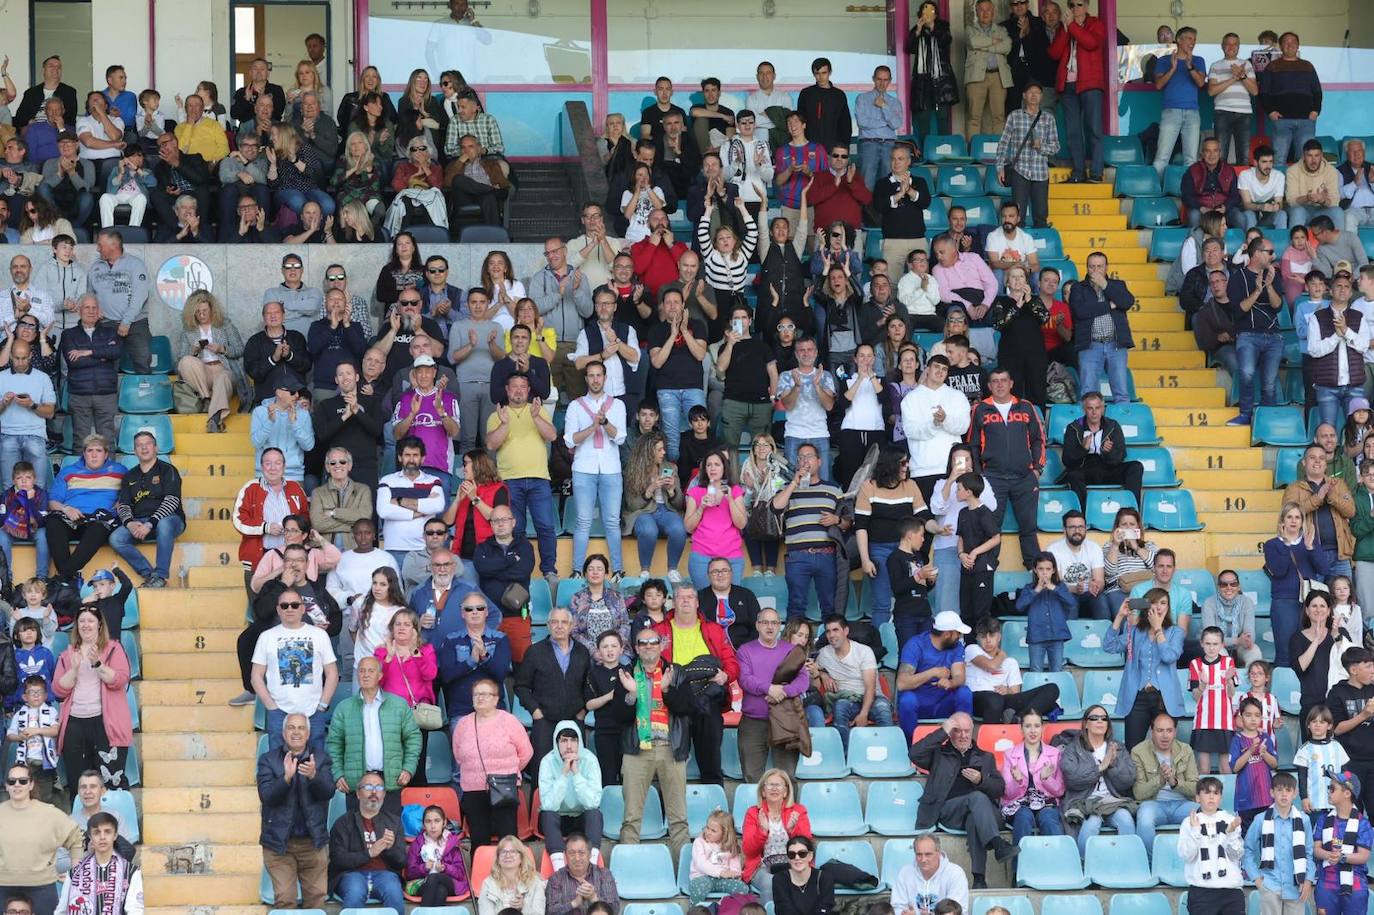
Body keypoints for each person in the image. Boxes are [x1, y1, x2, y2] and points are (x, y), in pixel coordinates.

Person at [908, 711, 1018, 888]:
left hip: (983, 815)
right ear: (950, 732)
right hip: (948, 811)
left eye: (967, 731)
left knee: (975, 817)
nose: (963, 735)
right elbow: (915, 754)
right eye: (957, 731)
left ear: (972, 731)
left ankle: (979, 879)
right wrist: (942, 731)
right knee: (976, 798)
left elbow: (999, 789)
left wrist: (981, 780)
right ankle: (997, 843)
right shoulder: (939, 754)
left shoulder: (985, 757)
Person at [618, 624, 692, 857]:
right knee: (631, 818)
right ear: (636, 649)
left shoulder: (677, 672)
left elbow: (686, 708)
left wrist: (667, 689)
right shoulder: (626, 672)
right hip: (636, 750)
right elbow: (617, 717)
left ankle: (683, 874)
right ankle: (628, 872)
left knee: (678, 818)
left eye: (653, 642)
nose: (649, 646)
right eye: (643, 643)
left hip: (672, 749)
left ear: (662, 645)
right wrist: (631, 694)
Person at [487, 372, 559, 587]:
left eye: (522, 387)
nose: (518, 390)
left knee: (545, 526)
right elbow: (491, 445)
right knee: (515, 529)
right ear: (507, 391)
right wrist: (503, 423)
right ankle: (517, 569)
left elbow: (552, 436)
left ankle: (549, 570)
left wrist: (536, 417)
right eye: (514, 386)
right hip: (510, 480)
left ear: (528, 391)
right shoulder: (497, 414)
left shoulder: (538, 411)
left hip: (539, 479)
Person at [257, 712, 334, 910]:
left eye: (301, 728)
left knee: (316, 901)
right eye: (291, 728)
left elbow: (328, 792)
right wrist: (285, 779)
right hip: (279, 844)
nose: (296, 732)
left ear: (308, 733)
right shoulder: (268, 760)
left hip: (313, 843)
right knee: (285, 900)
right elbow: (266, 796)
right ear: (283, 733)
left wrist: (314, 776)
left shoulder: (322, 759)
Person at [969, 367, 1043, 569]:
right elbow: (973, 445)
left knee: (1029, 528)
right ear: (989, 386)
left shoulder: (1026, 407)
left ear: (1011, 384)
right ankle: (986, 572)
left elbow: (1038, 439)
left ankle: (1036, 575)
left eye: (1003, 380)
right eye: (995, 381)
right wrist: (979, 476)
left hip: (1024, 478)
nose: (999, 384)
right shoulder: (980, 409)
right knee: (991, 529)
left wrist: (1037, 469)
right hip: (993, 479)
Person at [52, 604, 132, 788]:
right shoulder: (67, 654)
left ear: (99, 625)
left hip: (105, 724)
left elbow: (120, 680)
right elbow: (58, 689)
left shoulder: (114, 649)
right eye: (81, 621)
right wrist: (74, 669)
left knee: (112, 781)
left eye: (90, 621)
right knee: (78, 784)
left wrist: (97, 663)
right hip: (75, 723)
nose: (86, 625)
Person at [453, 677, 533, 847]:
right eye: (476, 694)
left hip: (504, 787)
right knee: (479, 838)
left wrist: (509, 771)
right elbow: (458, 755)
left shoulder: (510, 721)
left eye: (485, 694)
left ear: (496, 699)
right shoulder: (463, 724)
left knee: (508, 839)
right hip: (473, 790)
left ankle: (510, 874)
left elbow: (526, 752)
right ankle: (479, 872)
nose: (480, 698)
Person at [0, 759, 82, 915]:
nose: (17, 785)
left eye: (23, 781)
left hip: (42, 887)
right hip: (2, 886)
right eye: (12, 781)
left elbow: (76, 837)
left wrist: (75, 875)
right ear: (6, 786)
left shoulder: (49, 813)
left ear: (31, 784)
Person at [516, 606, 593, 770]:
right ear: (548, 625)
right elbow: (521, 686)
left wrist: (583, 711)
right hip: (544, 720)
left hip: (574, 719)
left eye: (564, 622)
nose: (559, 626)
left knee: (575, 769)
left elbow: (589, 685)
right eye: (554, 622)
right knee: (542, 770)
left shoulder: (582, 652)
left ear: (571, 626)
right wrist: (535, 711)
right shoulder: (534, 652)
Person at [326, 771, 407, 911]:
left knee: (393, 890)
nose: (374, 792)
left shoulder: (394, 822)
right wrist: (369, 853)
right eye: (368, 787)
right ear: (358, 794)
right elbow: (338, 859)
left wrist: (391, 848)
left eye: (379, 788)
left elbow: (401, 861)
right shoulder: (343, 823)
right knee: (355, 891)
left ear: (384, 794)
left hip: (384, 874)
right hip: (351, 874)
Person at [1133, 712, 1202, 863]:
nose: (1165, 736)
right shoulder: (1138, 752)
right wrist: (1159, 780)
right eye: (1160, 731)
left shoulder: (1185, 750)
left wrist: (1174, 782)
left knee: (1204, 815)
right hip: (1154, 804)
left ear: (1175, 732)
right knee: (1144, 817)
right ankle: (1150, 864)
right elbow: (1138, 793)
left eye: (1169, 731)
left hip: (1182, 804)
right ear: (1152, 732)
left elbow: (1195, 788)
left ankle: (1200, 863)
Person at [537, 722, 604, 870]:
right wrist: (563, 775)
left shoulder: (589, 759)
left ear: (579, 741)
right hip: (557, 820)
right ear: (556, 743)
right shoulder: (547, 762)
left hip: (580, 819)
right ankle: (560, 869)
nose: (569, 746)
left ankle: (591, 867)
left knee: (595, 814)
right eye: (564, 740)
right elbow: (548, 805)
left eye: (573, 740)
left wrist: (577, 774)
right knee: (547, 814)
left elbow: (593, 802)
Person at [1284, 444, 1356, 580]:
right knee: (1314, 598)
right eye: (1312, 457)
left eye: (1321, 458)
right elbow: (1288, 516)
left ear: (1325, 464)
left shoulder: (1338, 484)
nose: (1317, 461)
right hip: (1309, 554)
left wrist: (1332, 496)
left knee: (1342, 599)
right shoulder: (1293, 488)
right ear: (1304, 463)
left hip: (1340, 553)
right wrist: (1318, 497)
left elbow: (1351, 511)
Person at [741, 768, 813, 903]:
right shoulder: (753, 813)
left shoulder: (798, 811)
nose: (774, 788)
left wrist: (793, 832)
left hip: (794, 864)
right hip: (762, 868)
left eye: (778, 785)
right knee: (771, 882)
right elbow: (749, 851)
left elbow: (807, 847)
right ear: (763, 791)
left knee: (801, 882)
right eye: (770, 785)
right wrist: (762, 831)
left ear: (785, 791)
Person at [996, 82, 1057, 228]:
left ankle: (1041, 245)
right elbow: (1003, 143)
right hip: (1019, 170)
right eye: (1030, 92)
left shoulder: (1048, 118)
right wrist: (1000, 167)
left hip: (1040, 172)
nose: (1034, 95)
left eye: (1037, 92)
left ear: (1041, 96)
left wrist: (1041, 147)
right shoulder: (1014, 116)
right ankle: (1018, 247)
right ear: (1024, 96)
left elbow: (1055, 147)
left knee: (1041, 215)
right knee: (1018, 214)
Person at [1311, 768, 1372, 915]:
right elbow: (1316, 849)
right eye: (1328, 788)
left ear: (1347, 793)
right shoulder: (1323, 819)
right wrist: (1328, 855)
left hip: (1354, 885)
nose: (1329, 791)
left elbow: (1364, 856)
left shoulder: (1362, 823)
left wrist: (1342, 857)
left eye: (1332, 788)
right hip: (1326, 884)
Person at [1000, 708, 1066, 844]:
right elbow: (1007, 793)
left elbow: (1060, 790)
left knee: (1048, 818)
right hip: (1019, 804)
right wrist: (1018, 781)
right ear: (1021, 729)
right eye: (1028, 726)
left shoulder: (1055, 753)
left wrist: (1046, 779)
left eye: (1037, 726)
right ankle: (1020, 864)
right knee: (1023, 816)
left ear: (1042, 728)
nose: (1033, 730)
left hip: (1047, 804)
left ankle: (1059, 862)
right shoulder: (1009, 754)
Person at [1257, 33, 1323, 165]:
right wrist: (1270, 112)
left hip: (1306, 120)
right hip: (1281, 121)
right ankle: (1279, 186)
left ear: (1298, 45)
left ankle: (1302, 187)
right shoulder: (1272, 66)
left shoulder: (1307, 66)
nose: (1290, 44)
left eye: (1293, 41)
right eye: (1286, 42)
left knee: (1305, 160)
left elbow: (1317, 91)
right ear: (1281, 46)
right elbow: (1264, 92)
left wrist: (1315, 111)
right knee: (1279, 159)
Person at [1151, 26, 1206, 179]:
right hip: (1171, 112)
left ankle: (1188, 192)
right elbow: (1159, 85)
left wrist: (1189, 66)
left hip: (1192, 112)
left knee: (1191, 159)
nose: (1192, 42)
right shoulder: (1164, 60)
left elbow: (1201, 83)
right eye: (1189, 38)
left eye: (1194, 39)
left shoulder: (1198, 60)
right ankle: (1156, 190)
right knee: (1162, 156)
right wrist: (1173, 68)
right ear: (1179, 40)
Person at [963, 0, 1012, 141]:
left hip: (998, 76)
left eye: (988, 10)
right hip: (977, 77)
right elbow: (973, 42)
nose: (985, 13)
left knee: (998, 116)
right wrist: (993, 41)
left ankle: (997, 152)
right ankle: (973, 152)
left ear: (993, 12)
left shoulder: (1001, 30)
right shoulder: (970, 29)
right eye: (981, 10)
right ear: (976, 12)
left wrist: (985, 46)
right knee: (974, 116)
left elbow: (1007, 47)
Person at [404, 803, 469, 906]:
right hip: (423, 883)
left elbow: (460, 874)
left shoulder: (453, 844)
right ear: (423, 825)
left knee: (434, 877)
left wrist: (446, 868)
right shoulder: (417, 844)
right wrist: (423, 868)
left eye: (437, 821)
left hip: (450, 882)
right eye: (428, 822)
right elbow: (410, 874)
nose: (433, 826)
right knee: (440, 890)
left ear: (444, 823)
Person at [890, 834, 969, 915]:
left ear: (938, 853)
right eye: (919, 854)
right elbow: (896, 907)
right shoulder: (905, 873)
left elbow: (958, 911)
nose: (923, 860)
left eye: (928, 854)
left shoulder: (955, 873)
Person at [546, 832, 618, 915]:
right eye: (572, 853)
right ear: (565, 856)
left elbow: (615, 910)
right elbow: (550, 911)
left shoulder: (604, 874)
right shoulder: (556, 878)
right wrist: (574, 903)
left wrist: (594, 898)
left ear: (590, 854)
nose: (577, 858)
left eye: (581, 853)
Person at [1199, 571, 1262, 666]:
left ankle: (1249, 680)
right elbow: (1211, 638)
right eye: (1224, 584)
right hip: (1216, 645)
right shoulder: (1209, 603)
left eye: (1233, 584)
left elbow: (1250, 636)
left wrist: (1245, 641)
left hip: (1240, 646)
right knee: (1218, 653)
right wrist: (1236, 640)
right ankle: (1225, 680)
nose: (1229, 588)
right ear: (1218, 587)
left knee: (1255, 652)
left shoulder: (1247, 602)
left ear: (1239, 586)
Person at [1182, 138, 1243, 228]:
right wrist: (1201, 208)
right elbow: (1186, 196)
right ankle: (1196, 242)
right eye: (1207, 151)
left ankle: (1238, 242)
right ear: (1202, 153)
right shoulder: (1192, 170)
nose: (1212, 155)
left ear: (1220, 153)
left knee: (1239, 217)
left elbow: (1235, 195)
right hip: (1202, 210)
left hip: (1223, 210)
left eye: (1215, 151)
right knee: (1194, 216)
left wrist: (1225, 207)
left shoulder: (1229, 170)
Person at [477, 836, 546, 915]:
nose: (508, 855)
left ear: (521, 857)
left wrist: (524, 907)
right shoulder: (488, 884)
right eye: (503, 852)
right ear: (498, 859)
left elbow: (538, 913)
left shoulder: (535, 882)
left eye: (513, 851)